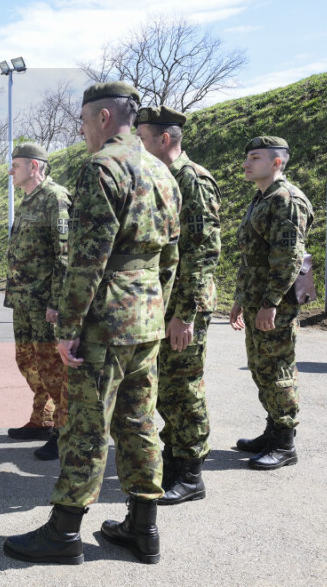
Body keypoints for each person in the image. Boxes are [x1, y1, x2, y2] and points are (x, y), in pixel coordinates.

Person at [4, 81, 180, 566]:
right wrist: (157, 308)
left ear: (103, 118)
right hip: (146, 316)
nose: (82, 132)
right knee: (139, 422)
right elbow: (171, 255)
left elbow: (88, 258)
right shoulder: (162, 171)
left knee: (86, 427)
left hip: (105, 321)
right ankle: (143, 528)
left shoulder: (103, 167)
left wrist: (69, 327)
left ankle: (64, 533)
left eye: (83, 122)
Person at [136, 105, 221, 504]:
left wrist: (184, 315)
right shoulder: (163, 177)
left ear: (164, 139)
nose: (138, 146)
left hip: (185, 306)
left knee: (183, 387)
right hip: (164, 303)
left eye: (143, 138)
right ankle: (174, 457)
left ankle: (190, 473)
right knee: (167, 387)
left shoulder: (193, 180)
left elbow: (203, 252)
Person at [229, 136, 313, 470]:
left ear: (276, 162)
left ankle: (285, 443)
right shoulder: (261, 198)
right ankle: (273, 429)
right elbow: (250, 257)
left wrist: (271, 302)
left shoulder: (287, 200)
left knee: (278, 369)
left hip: (273, 303)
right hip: (256, 298)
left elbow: (289, 257)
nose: (246, 163)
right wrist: (240, 299)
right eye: (247, 157)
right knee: (261, 368)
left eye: (255, 157)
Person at [4, 142, 71, 461]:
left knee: (52, 367)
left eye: (15, 165)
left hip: (44, 302)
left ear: (34, 166)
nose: (10, 171)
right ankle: (42, 418)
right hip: (23, 300)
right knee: (26, 361)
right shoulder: (28, 199)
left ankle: (64, 430)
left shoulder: (55, 198)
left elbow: (64, 255)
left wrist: (56, 302)